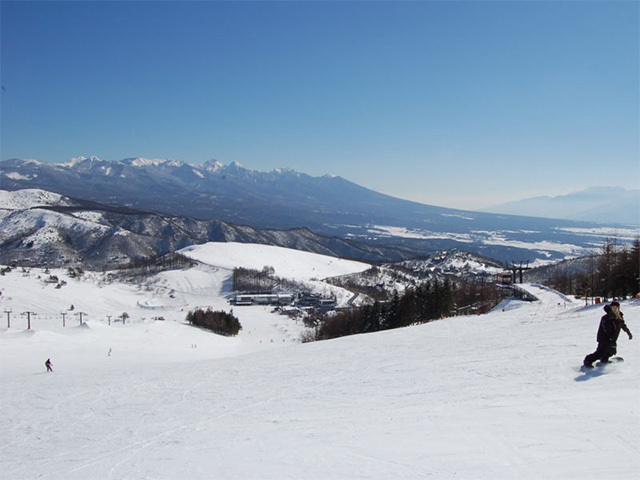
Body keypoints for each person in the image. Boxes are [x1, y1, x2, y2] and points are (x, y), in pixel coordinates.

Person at [583, 301, 633, 369]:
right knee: (601, 352)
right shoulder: (606, 317)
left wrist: (628, 333)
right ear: (611, 308)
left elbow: (622, 325)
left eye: (616, 307)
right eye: (613, 307)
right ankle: (588, 360)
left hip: (612, 338)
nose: (615, 309)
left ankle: (604, 359)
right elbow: (606, 328)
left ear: (618, 308)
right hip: (604, 338)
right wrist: (610, 338)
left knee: (611, 351)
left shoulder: (619, 316)